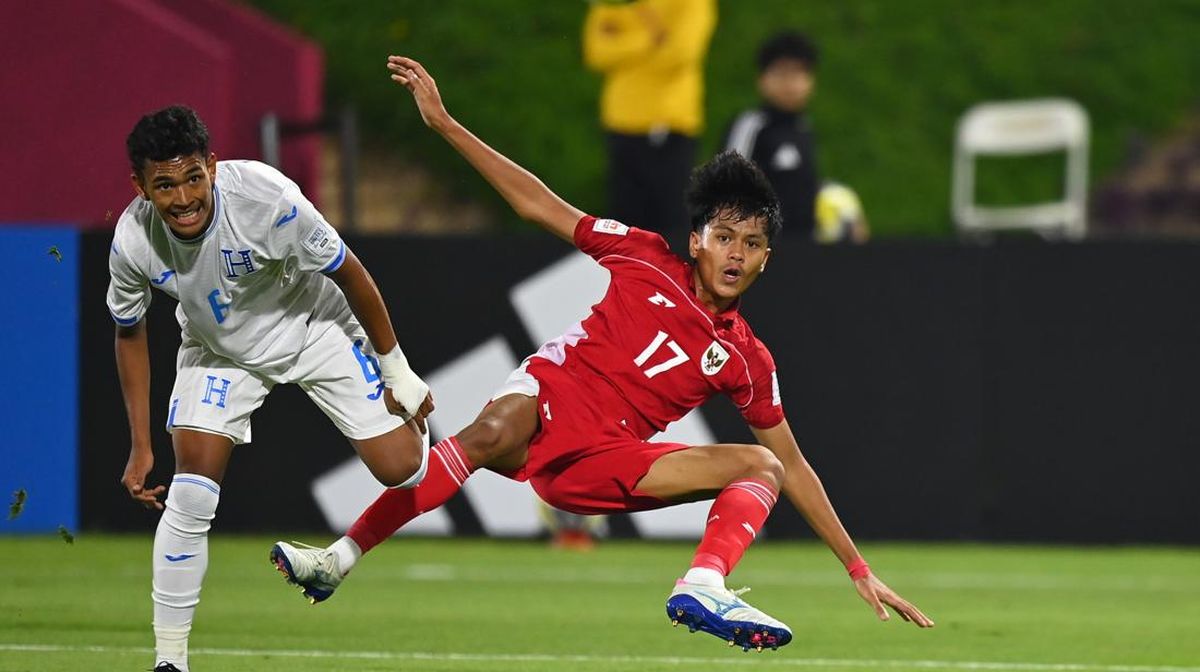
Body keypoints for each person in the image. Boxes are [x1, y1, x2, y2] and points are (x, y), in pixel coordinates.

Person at [271, 56, 934, 652]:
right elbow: (536, 203)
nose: (737, 253)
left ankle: (703, 584)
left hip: (602, 465)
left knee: (759, 464)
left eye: (753, 243)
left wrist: (857, 567)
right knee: (488, 431)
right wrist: (444, 124)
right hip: (548, 398)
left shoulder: (745, 358)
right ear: (697, 238)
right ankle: (337, 561)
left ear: (767, 258)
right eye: (724, 236)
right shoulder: (645, 256)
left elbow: (792, 464)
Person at [109, 105, 436, 672]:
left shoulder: (266, 198)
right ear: (140, 187)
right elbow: (129, 331)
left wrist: (396, 369)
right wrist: (141, 443)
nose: (184, 198)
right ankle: (169, 661)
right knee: (190, 497)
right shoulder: (133, 239)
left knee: (404, 470)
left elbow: (349, 270)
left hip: (314, 325)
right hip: (220, 352)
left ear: (212, 166)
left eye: (193, 177)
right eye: (164, 185)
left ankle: (413, 420)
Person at [583, 0, 716, 246]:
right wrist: (650, 39)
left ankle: (670, 284)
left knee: (672, 224)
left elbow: (681, 52)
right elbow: (598, 53)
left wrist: (627, 44)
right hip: (621, 123)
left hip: (671, 125)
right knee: (623, 224)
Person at [724, 31, 866, 243]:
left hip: (803, 253)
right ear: (762, 80)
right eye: (781, 73)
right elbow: (723, 190)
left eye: (799, 74)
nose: (790, 83)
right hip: (760, 253)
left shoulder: (804, 129)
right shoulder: (751, 126)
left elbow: (799, 188)